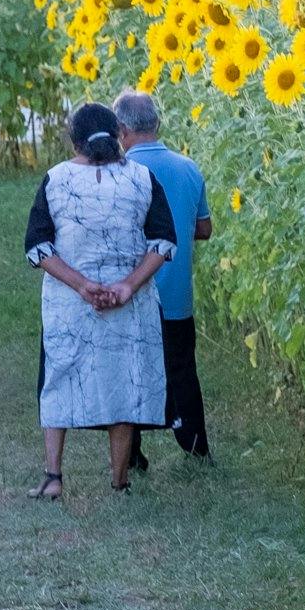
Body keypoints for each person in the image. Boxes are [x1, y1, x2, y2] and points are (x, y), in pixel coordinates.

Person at [24, 101, 178, 499]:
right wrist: (127, 286)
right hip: (131, 304)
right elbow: (163, 243)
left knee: (58, 379)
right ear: (118, 135)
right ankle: (119, 480)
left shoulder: (55, 180)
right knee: (123, 384)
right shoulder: (142, 178)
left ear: (74, 140)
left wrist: (81, 286)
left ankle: (54, 476)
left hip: (69, 304)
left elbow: (38, 247)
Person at [114, 87, 212, 464]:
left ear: (121, 130)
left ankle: (133, 454)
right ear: (157, 124)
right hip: (176, 296)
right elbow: (204, 228)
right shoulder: (188, 168)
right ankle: (196, 445)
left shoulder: (122, 174)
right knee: (183, 370)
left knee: (131, 373)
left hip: (133, 294)